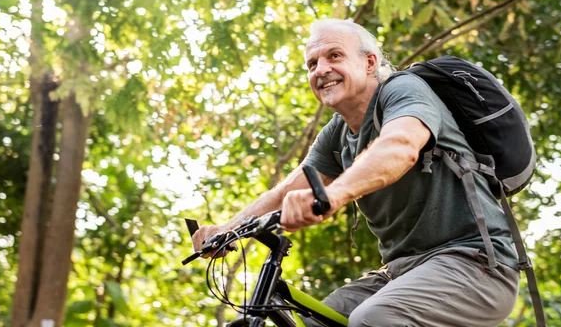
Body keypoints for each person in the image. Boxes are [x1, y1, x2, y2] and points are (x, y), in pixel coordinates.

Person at [193, 18, 520, 327]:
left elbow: (400, 146)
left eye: (334, 56)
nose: (321, 69)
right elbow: (286, 192)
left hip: (477, 265)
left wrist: (332, 195)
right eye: (312, 64)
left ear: (369, 63)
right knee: (315, 320)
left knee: (373, 320)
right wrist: (227, 229)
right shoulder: (336, 134)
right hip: (400, 273)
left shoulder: (403, 90)